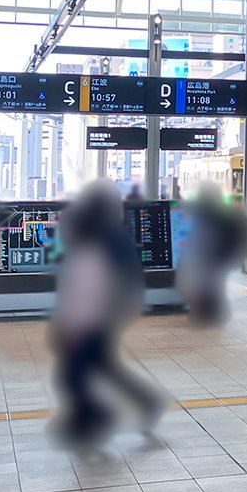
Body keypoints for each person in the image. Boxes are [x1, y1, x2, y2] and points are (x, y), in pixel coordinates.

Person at [48, 181, 167, 449]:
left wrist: (78, 324)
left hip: (97, 316)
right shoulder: (107, 235)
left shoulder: (101, 240)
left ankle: (95, 417)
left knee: (74, 373)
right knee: (102, 367)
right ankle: (142, 402)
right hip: (105, 313)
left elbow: (92, 285)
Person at [179, 182, 247, 326]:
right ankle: (210, 312)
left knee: (207, 285)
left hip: (210, 257)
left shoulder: (206, 213)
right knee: (212, 285)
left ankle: (208, 313)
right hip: (216, 257)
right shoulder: (223, 214)